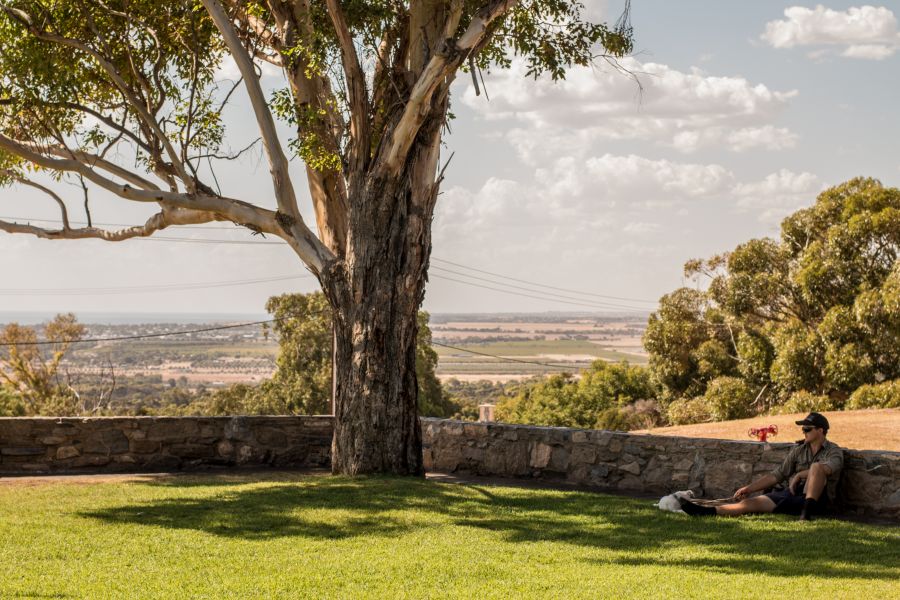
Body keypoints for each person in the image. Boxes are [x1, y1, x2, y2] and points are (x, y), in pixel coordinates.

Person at [679, 412, 844, 521]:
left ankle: (806, 514)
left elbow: (826, 469)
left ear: (821, 431)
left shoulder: (833, 451)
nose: (804, 432)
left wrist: (800, 475)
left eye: (808, 429)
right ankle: (706, 511)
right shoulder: (799, 449)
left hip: (817, 499)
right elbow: (777, 475)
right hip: (793, 494)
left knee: (816, 467)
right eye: (803, 428)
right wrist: (749, 488)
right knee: (751, 503)